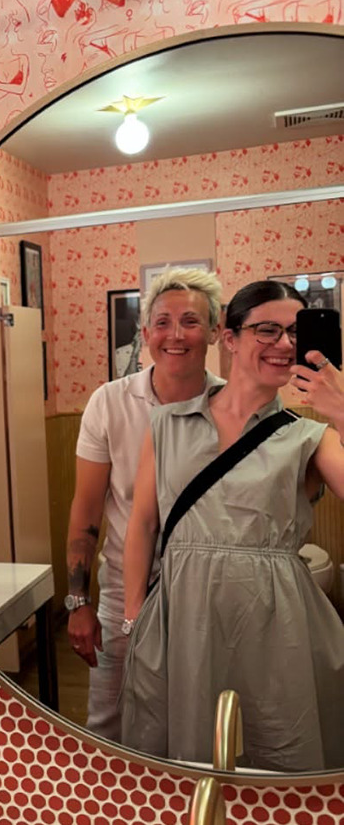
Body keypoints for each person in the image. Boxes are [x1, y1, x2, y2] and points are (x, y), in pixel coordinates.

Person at [121, 279, 344, 772]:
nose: (284, 344)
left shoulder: (311, 437)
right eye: (268, 330)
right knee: (183, 760)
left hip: (276, 627)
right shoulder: (167, 424)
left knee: (275, 754)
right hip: (181, 620)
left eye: (296, 332)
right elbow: (142, 524)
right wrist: (134, 619)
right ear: (230, 338)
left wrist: (343, 412)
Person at [66, 267, 223, 742]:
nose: (175, 335)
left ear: (215, 331)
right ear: (145, 330)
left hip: (207, 594)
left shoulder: (230, 405)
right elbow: (86, 510)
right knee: (109, 723)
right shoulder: (109, 402)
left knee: (200, 724)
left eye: (191, 322)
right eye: (163, 322)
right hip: (121, 592)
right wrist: (78, 602)